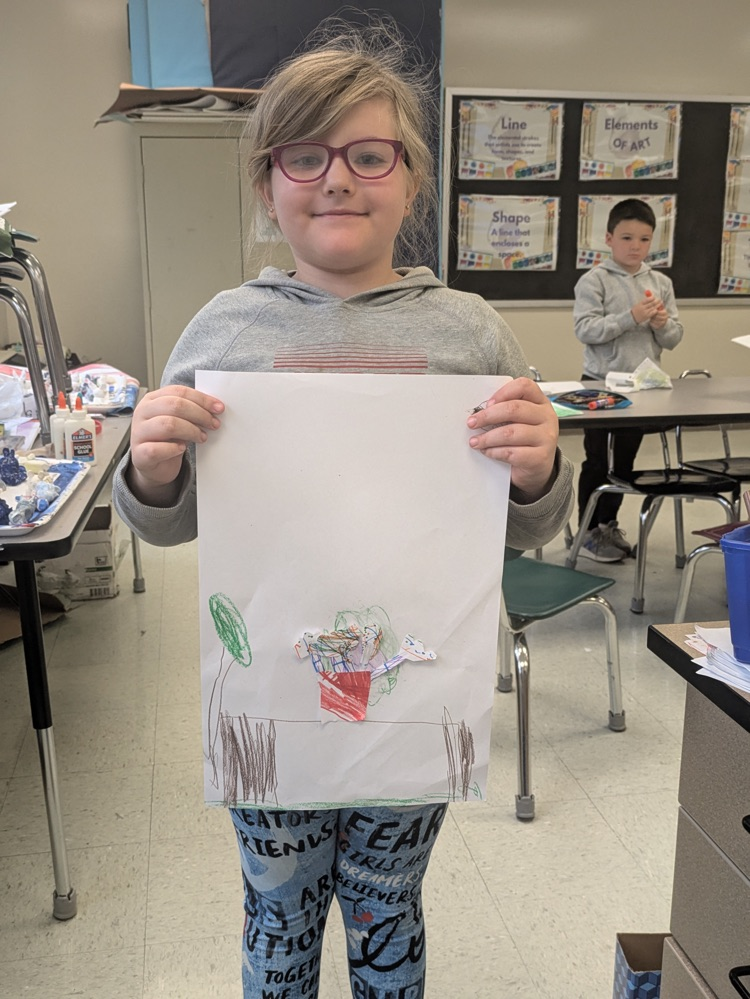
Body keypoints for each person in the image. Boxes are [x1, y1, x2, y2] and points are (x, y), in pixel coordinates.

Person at [112, 21, 574, 999]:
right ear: (267, 183)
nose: (338, 179)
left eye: (370, 155)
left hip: (413, 705)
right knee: (279, 909)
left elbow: (527, 526)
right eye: (307, 155)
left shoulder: (470, 332)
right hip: (271, 710)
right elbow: (167, 520)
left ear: (410, 181)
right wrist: (150, 468)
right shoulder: (224, 328)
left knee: (384, 902)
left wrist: (537, 473)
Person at [573, 197, 683, 562]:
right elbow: (586, 330)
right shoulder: (595, 280)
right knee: (597, 463)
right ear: (608, 238)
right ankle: (587, 534)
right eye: (627, 238)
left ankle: (608, 526)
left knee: (623, 465)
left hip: (642, 389)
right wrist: (631, 316)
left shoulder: (660, 282)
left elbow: (673, 338)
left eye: (644, 239)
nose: (635, 246)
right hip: (600, 385)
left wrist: (661, 323)